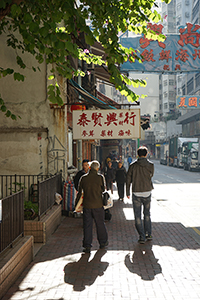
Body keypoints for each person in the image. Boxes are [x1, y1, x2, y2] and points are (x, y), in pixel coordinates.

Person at [75, 160, 108, 253]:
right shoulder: (100, 177)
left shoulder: (83, 178)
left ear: (89, 168)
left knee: (87, 225)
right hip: (98, 205)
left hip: (87, 205)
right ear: (97, 168)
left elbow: (79, 192)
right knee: (100, 223)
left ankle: (87, 245)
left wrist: (76, 204)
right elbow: (103, 189)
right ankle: (102, 242)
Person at [126, 146, 154, 244]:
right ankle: (148, 234)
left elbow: (128, 180)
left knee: (137, 216)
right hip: (147, 192)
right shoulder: (151, 165)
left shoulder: (133, 166)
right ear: (146, 154)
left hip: (136, 192)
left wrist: (127, 192)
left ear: (137, 154)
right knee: (147, 214)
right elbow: (151, 175)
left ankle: (142, 236)